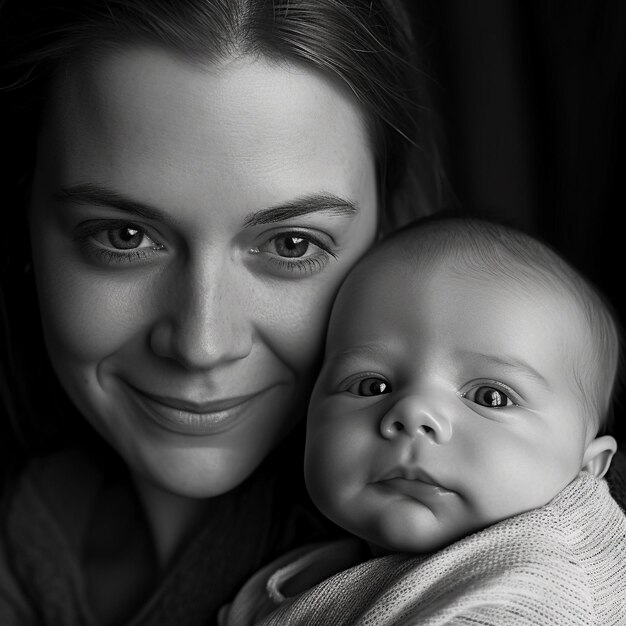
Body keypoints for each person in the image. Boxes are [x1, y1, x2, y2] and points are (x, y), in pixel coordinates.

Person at [0, 1, 449, 624]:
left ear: (389, 230)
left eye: (293, 244)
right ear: (22, 221)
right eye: (123, 237)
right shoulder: (29, 526)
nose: (201, 343)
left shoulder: (504, 568)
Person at [220, 216, 626, 626]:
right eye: (371, 386)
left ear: (588, 467)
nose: (413, 414)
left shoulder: (535, 587)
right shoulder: (312, 563)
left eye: (491, 397)